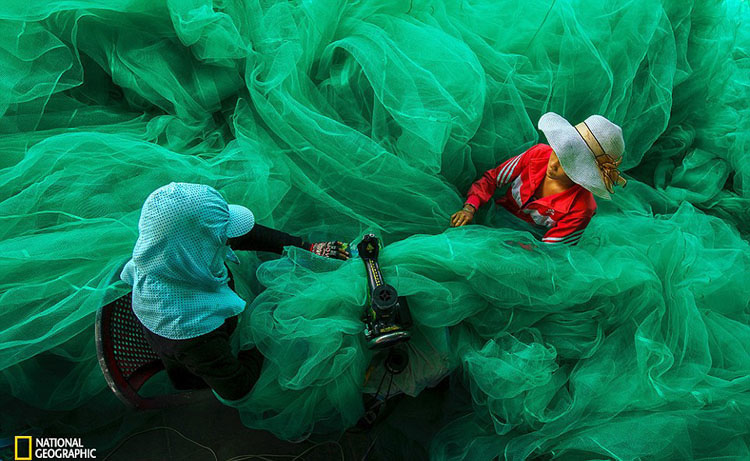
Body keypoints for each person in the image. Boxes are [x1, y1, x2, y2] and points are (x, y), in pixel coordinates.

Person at [119, 182, 349, 403]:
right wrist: (264, 331)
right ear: (202, 247)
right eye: (222, 238)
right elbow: (237, 388)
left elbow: (232, 233)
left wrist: (302, 247)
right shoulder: (190, 329)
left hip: (213, 334)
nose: (228, 240)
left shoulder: (166, 255)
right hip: (213, 363)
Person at [450, 113, 627, 246]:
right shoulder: (538, 154)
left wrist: (512, 251)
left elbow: (549, 249)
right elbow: (493, 179)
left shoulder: (581, 208)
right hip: (492, 216)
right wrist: (470, 207)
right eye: (557, 151)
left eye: (568, 164)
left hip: (528, 246)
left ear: (583, 173)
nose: (554, 163)